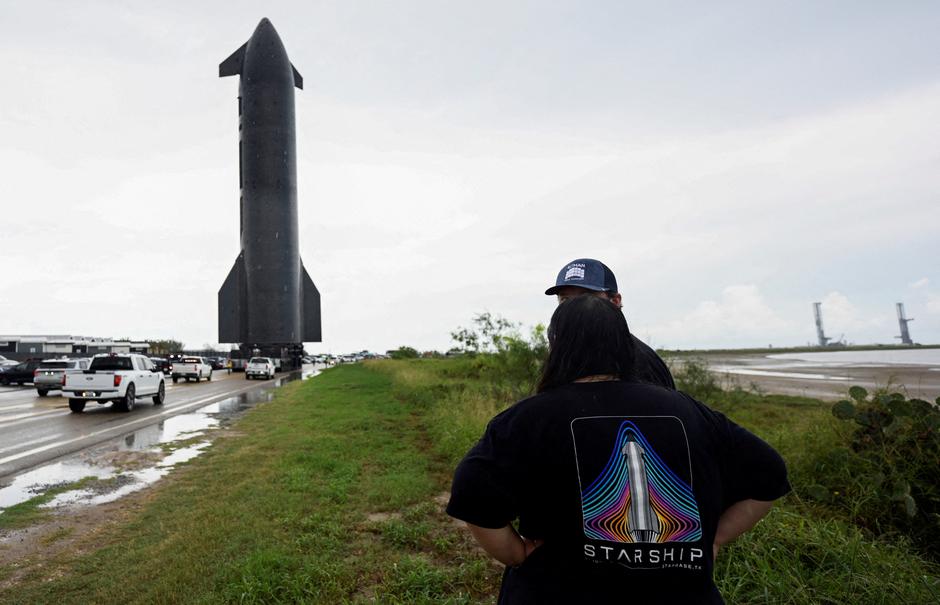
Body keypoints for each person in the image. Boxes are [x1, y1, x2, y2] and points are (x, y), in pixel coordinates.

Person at [447, 295, 789, 603]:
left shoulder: (527, 418)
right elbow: (771, 472)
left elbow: (471, 492)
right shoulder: (688, 411)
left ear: (556, 346)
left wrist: (515, 554)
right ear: (625, 345)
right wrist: (714, 538)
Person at [545, 258, 675, 389]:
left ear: (615, 301)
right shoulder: (562, 354)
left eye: (585, 297)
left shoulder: (641, 360)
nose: (574, 306)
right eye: (565, 299)